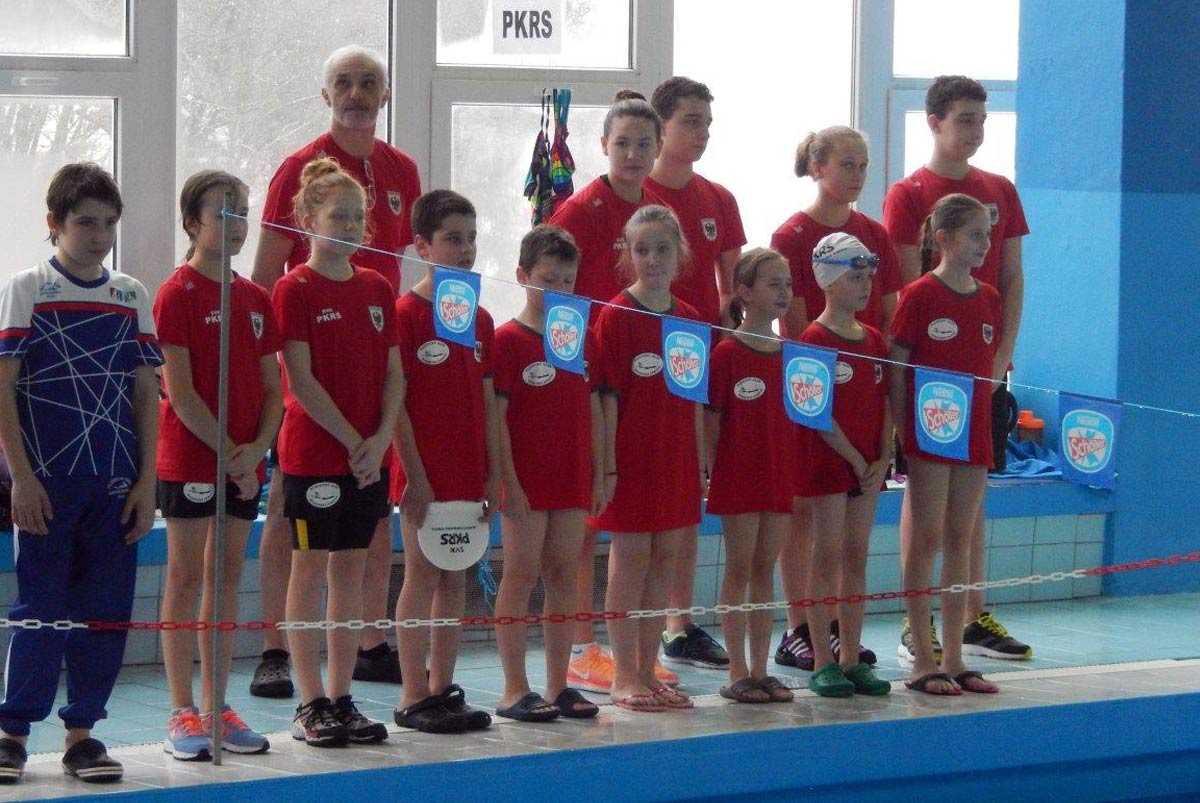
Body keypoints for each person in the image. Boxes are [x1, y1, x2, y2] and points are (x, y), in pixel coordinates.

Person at [249, 45, 422, 695]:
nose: (356, 93)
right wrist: (276, 381)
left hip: (372, 367)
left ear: (385, 95)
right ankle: (275, 646)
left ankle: (369, 640)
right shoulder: (299, 170)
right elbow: (262, 279)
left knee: (371, 515)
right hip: (305, 372)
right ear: (326, 96)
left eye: (368, 82)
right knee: (285, 512)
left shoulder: (403, 170)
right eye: (344, 83)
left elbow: (399, 271)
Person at [0, 163, 162, 783]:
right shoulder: (28, 288)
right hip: (47, 483)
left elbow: (145, 393)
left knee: (106, 611)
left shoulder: (130, 295)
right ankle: (13, 733)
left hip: (113, 483)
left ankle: (83, 735)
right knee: (39, 610)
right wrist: (21, 478)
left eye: (108, 224)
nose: (99, 236)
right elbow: (4, 388)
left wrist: (146, 482)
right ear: (55, 223)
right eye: (85, 223)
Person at [883, 75, 1031, 663]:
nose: (977, 130)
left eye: (982, 119)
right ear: (934, 122)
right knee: (923, 502)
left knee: (972, 502)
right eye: (965, 119)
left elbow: (1011, 277)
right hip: (931, 376)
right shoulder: (909, 193)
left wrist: (998, 360)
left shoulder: (1000, 190)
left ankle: (971, 617)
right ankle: (915, 625)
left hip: (983, 365)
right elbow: (904, 292)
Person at [547, 92, 679, 692]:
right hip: (585, 375)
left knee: (633, 527)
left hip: (640, 382)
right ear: (603, 146)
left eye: (643, 144)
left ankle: (633, 653)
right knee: (588, 519)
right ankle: (582, 645)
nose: (632, 154)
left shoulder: (657, 211)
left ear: (658, 148)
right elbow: (549, 290)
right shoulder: (579, 211)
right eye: (622, 143)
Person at [273, 158, 402, 746]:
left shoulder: (377, 288)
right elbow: (299, 380)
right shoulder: (294, 288)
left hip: (368, 457)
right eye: (337, 216)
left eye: (356, 217)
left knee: (351, 574)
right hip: (317, 456)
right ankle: (310, 702)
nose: (349, 226)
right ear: (307, 220)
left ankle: (342, 696)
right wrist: (354, 441)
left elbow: (394, 375)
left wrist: (380, 439)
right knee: (309, 572)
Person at [155, 171, 282, 760]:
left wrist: (257, 451)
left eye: (243, 213)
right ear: (192, 223)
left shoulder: (254, 298)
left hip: (244, 463)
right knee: (186, 577)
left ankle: (216, 705)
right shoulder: (176, 293)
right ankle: (182, 709)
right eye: (223, 214)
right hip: (191, 460)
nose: (237, 225)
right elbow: (180, 394)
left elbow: (273, 390)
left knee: (226, 580)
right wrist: (234, 456)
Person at [771, 126, 899, 673]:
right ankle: (801, 627)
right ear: (818, 167)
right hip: (818, 391)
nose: (858, 175)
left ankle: (842, 638)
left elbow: (888, 315)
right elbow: (797, 325)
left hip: (863, 383)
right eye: (847, 164)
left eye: (864, 165)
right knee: (805, 520)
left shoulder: (873, 234)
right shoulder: (793, 235)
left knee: (849, 546)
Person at [647, 76, 746, 672]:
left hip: (698, 370)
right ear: (660, 126)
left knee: (688, 496)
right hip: (640, 368)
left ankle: (677, 623)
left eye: (707, 123)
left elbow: (733, 295)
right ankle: (619, 628)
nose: (702, 133)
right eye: (690, 121)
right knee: (640, 502)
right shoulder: (638, 193)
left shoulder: (719, 200)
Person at [391, 190, 498, 734]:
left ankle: (442, 688)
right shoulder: (405, 315)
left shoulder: (480, 319)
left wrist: (493, 473)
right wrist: (414, 474)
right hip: (421, 473)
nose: (465, 250)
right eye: (453, 239)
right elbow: (396, 405)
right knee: (422, 573)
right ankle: (413, 694)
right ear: (422, 247)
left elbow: (487, 405)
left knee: (456, 577)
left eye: (471, 239)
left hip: (467, 471)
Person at [889, 193, 1003, 696]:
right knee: (927, 539)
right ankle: (922, 658)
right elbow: (897, 370)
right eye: (975, 235)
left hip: (973, 433)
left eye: (988, 235)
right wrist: (903, 431)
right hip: (929, 432)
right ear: (944, 239)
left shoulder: (990, 298)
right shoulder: (918, 295)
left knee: (961, 539)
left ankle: (954, 656)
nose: (985, 244)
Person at [492, 225, 604, 722]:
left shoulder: (581, 338)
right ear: (522, 277)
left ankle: (558, 685)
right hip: (525, 479)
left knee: (563, 574)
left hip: (572, 475)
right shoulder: (507, 341)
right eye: (548, 280)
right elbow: (495, 419)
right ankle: (514, 688)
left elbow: (594, 409)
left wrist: (601, 472)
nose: (558, 290)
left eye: (567, 281)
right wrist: (508, 482)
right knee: (519, 574)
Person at [592, 205, 701, 712]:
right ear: (628, 255)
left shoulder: (691, 320)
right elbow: (605, 399)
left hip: (675, 458)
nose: (652, 259)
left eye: (662, 249)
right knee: (630, 564)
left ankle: (646, 669)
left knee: (664, 565)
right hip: (631, 461)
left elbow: (694, 400)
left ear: (679, 253)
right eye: (642, 250)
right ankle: (623, 675)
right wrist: (608, 467)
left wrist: (699, 464)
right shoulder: (616, 317)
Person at [797, 234, 893, 698]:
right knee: (826, 556)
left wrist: (883, 456)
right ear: (829, 282)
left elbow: (886, 401)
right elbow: (815, 411)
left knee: (856, 556)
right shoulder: (813, 339)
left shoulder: (873, 339)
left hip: (868, 466)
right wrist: (857, 459)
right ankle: (822, 659)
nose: (866, 286)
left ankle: (852, 658)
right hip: (829, 463)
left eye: (869, 277)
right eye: (856, 278)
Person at [705, 248, 795, 704]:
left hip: (778, 474)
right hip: (739, 476)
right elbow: (711, 422)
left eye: (788, 284)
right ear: (745, 291)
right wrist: (710, 472)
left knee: (764, 570)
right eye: (773, 284)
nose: (784, 292)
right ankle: (737, 670)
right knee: (740, 569)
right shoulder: (726, 353)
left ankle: (761, 668)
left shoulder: (792, 356)